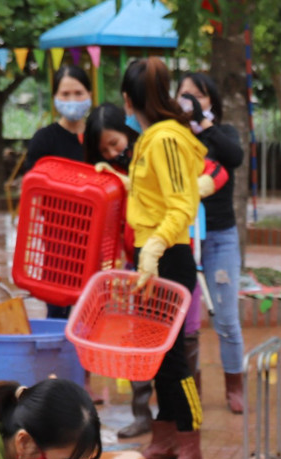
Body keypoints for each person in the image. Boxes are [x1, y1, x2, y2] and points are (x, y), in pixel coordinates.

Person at [115, 57, 208, 459]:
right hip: (150, 259)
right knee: (158, 358)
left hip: (167, 257)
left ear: (128, 100)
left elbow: (182, 205)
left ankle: (192, 445)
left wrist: (153, 247)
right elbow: (154, 197)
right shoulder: (153, 137)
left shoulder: (166, 138)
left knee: (176, 364)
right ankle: (166, 436)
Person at [177, 71, 247, 415]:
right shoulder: (171, 137)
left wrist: (203, 128)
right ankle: (190, 390)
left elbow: (235, 157)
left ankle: (236, 386)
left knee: (226, 318)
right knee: (183, 325)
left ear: (210, 103)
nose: (189, 102)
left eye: (198, 96)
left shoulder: (222, 134)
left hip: (220, 238)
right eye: (183, 95)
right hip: (181, 239)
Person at [86, 103, 157, 439]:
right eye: (105, 150)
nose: (114, 152)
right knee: (137, 339)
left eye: (115, 143)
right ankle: (142, 414)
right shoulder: (112, 172)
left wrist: (124, 181)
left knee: (177, 347)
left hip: (163, 258)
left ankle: (181, 423)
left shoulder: (149, 154)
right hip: (133, 263)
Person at [20, 67, 96, 317]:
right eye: (65, 94)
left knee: (91, 313)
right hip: (57, 243)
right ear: (54, 97)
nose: (72, 100)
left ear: (90, 94)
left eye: (78, 93)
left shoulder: (99, 137)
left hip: (94, 241)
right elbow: (33, 190)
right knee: (57, 315)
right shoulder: (44, 139)